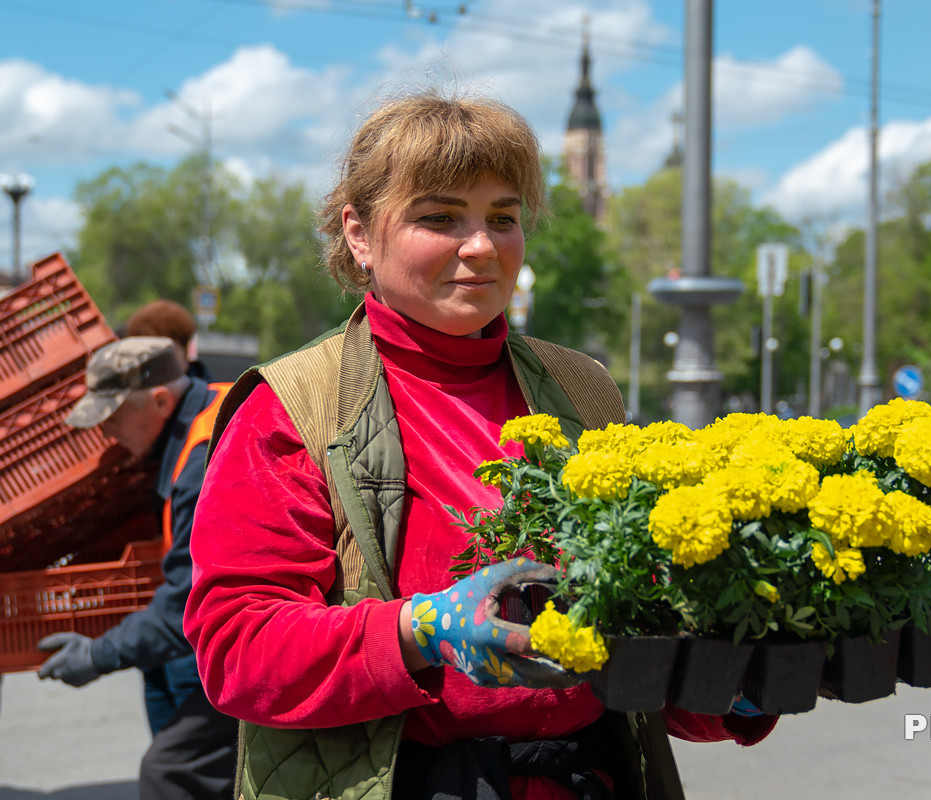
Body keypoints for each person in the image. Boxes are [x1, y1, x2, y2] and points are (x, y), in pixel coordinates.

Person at [183, 90, 778, 800]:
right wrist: (417, 630)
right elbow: (238, 651)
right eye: (439, 217)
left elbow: (635, 639)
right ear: (360, 234)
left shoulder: (582, 390)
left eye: (504, 218)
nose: (482, 245)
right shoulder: (294, 405)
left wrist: (738, 681)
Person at [37, 336, 239, 800]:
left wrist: (97, 655)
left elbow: (188, 603)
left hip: (255, 633)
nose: (107, 433)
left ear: (161, 400)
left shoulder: (203, 456)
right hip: (208, 635)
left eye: (112, 418)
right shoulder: (203, 413)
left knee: (169, 771)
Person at [126, 298, 216, 382]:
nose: (158, 364)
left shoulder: (215, 396)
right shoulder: (128, 393)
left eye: (165, 353)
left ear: (185, 352)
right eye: (148, 355)